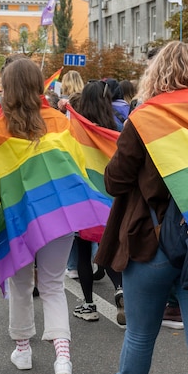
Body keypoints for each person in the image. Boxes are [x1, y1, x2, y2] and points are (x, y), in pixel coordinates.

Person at [95, 41, 188, 374]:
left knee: (139, 338)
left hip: (149, 242)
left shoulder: (146, 117)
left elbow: (115, 181)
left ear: (157, 73)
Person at [0, 59, 110, 374]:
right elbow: (78, 166)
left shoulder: (0, 129)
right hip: (59, 218)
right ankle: (62, 360)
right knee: (54, 287)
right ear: (39, 85)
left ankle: (23, 350)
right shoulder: (60, 122)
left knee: (20, 284)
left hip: (20, 221)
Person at [69, 80, 124, 324]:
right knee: (108, 246)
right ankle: (120, 288)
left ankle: (89, 304)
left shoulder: (76, 129)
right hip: (110, 199)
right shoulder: (116, 128)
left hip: (83, 199)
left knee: (83, 252)